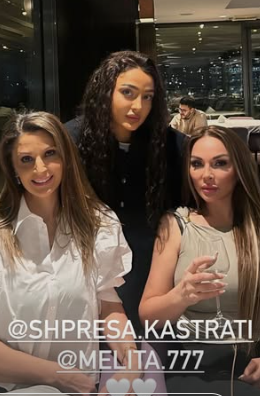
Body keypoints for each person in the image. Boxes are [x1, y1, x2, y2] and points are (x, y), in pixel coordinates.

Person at [0, 112, 140, 396]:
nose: (40, 168)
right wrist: (58, 375)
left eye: (50, 154)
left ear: (66, 158)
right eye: (26, 159)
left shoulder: (99, 224)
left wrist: (132, 361)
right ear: (13, 169)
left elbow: (108, 305)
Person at [139, 125, 260, 396]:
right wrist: (180, 296)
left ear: (239, 169)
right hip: (198, 360)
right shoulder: (175, 225)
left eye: (220, 164)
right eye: (197, 164)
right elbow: (148, 315)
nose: (206, 175)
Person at [65, 51, 186, 329]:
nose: (138, 106)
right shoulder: (71, 140)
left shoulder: (171, 145)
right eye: (127, 93)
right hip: (86, 262)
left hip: (152, 264)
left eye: (147, 97)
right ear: (105, 92)